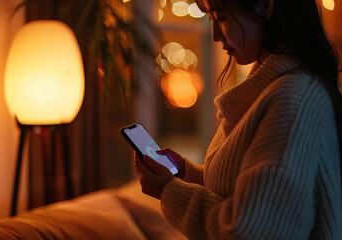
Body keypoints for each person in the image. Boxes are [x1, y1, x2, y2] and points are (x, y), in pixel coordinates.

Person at [133, 0, 342, 239]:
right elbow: (252, 191)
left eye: (220, 17)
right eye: (211, 19)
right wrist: (185, 175)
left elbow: (254, 231)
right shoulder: (272, 89)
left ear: (265, 6)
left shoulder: (293, 98)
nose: (214, 35)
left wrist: (168, 190)